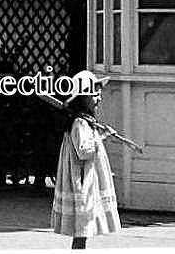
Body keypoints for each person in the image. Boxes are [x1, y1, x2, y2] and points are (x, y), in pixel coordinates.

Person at [51, 70, 121, 249]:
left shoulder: (85, 122)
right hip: (83, 180)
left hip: (86, 178)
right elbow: (84, 151)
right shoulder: (79, 124)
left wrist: (102, 133)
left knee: (84, 228)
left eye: (99, 94)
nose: (99, 99)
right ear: (82, 98)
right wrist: (98, 139)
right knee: (82, 227)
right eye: (94, 95)